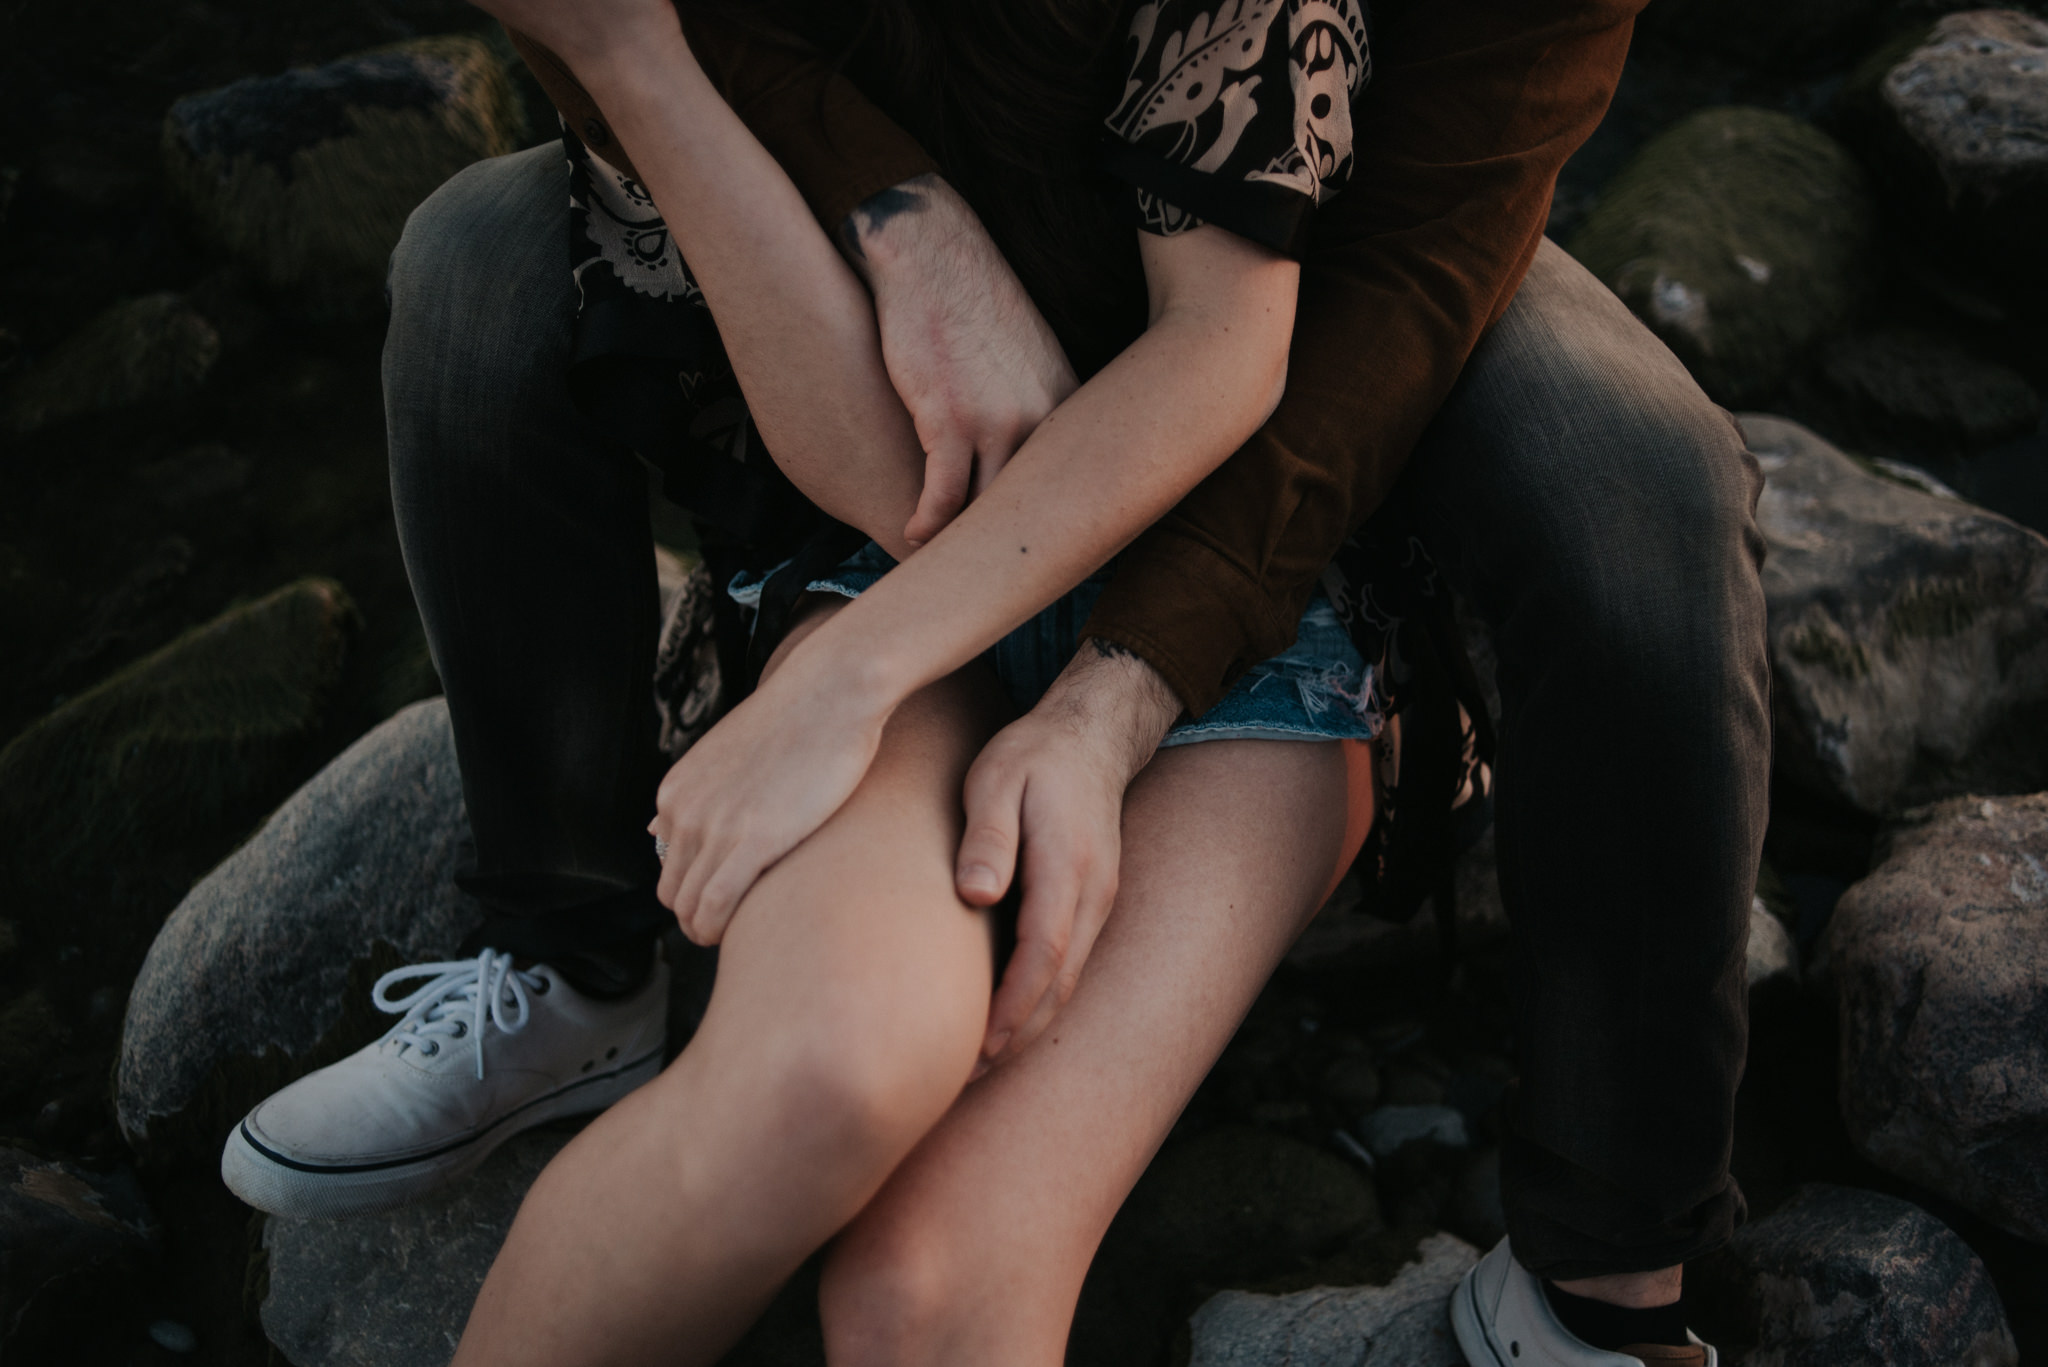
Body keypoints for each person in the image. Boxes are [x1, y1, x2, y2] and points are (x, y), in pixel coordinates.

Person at [221, 0, 1770, 1364]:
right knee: (818, 1075)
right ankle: (568, 964)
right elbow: (874, 466)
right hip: (898, 511)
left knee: (1628, 463)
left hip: (1268, 550)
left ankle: (1607, 1275)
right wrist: (838, 181)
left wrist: (1105, 699)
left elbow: (1345, 317)